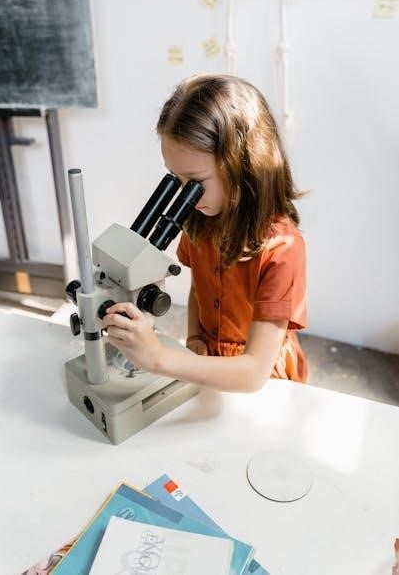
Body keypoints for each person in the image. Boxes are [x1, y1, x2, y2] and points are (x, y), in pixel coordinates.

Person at [103, 74, 307, 392]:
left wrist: (158, 357)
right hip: (209, 362)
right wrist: (195, 336)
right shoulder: (200, 221)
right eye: (176, 179)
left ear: (243, 165)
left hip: (264, 381)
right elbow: (199, 288)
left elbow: (254, 373)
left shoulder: (283, 248)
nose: (186, 195)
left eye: (195, 182)